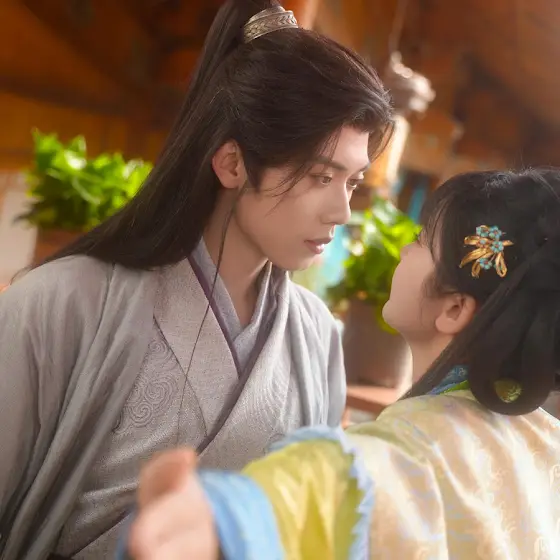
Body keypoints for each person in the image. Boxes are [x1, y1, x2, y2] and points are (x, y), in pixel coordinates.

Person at [0, 2, 393, 559]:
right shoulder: (60, 305)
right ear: (232, 164)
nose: (342, 211)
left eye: (351, 182)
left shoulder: (317, 336)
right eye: (320, 175)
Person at [122, 169, 560, 559]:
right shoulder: (548, 446)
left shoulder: (375, 467)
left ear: (454, 308)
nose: (404, 251)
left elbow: (300, 497)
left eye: (422, 241)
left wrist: (212, 520)